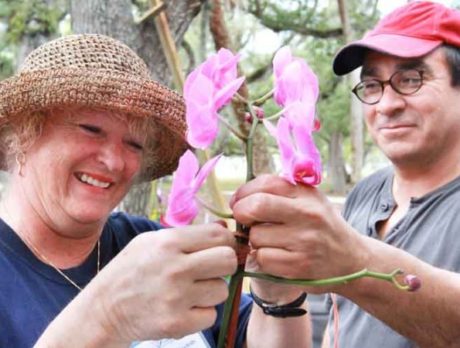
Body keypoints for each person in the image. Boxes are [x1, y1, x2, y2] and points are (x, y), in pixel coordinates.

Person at [0, 34, 310, 348]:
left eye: (134, 144)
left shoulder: (150, 245)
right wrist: (107, 315)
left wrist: (278, 292)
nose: (114, 160)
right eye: (90, 130)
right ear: (24, 134)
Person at [230, 1, 460, 347]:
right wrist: (278, 296)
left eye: (410, 79)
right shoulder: (365, 195)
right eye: (371, 86)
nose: (385, 104)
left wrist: (351, 259)